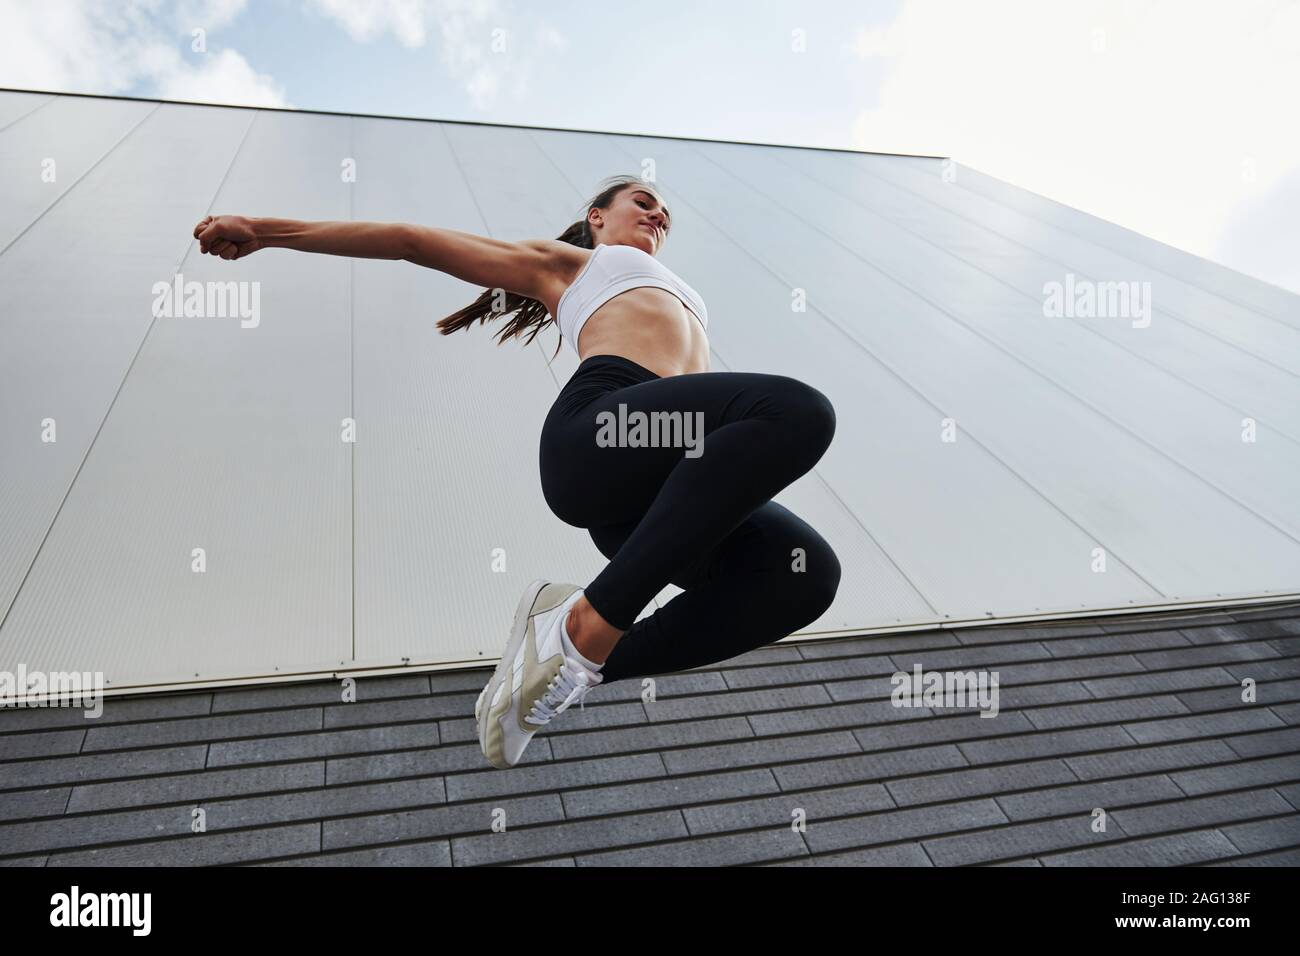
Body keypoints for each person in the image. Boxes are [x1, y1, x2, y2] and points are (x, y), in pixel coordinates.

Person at [192, 174, 841, 771]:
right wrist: (266, 230)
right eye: (642, 202)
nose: (657, 213)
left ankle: (562, 667)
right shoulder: (576, 265)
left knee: (803, 575)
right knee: (799, 412)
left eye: (664, 212)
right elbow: (411, 241)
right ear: (596, 218)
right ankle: (583, 629)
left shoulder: (679, 295)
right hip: (601, 439)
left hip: (653, 501)